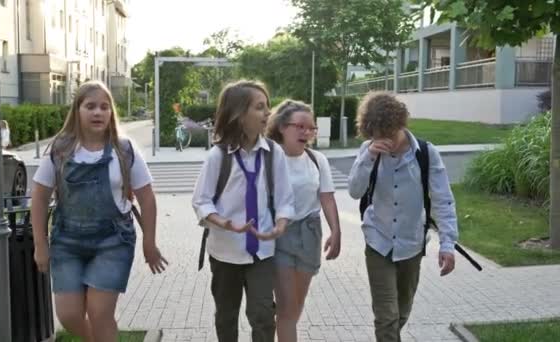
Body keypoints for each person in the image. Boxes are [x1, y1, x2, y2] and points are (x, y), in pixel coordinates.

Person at [30, 80, 168, 342]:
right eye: (90, 106)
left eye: (104, 107)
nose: (98, 112)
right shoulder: (60, 149)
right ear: (77, 110)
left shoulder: (125, 150)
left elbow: (147, 199)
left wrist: (150, 243)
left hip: (113, 241)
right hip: (67, 241)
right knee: (68, 315)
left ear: (111, 113)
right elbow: (38, 197)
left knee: (99, 311)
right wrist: (40, 244)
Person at [347, 92, 458, 342]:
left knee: (401, 312)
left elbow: (443, 200)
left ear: (401, 125)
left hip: (411, 243)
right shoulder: (368, 150)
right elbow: (354, 191)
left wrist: (447, 243)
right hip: (378, 241)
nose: (387, 142)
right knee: (386, 316)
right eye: (379, 137)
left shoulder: (426, 153)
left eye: (391, 135)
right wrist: (369, 157)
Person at [192, 80, 295, 342]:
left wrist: (280, 226)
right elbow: (201, 201)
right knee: (226, 315)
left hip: (261, 252)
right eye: (260, 107)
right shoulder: (218, 156)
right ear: (239, 114)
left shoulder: (274, 154)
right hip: (225, 251)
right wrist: (227, 224)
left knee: (262, 314)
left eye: (267, 106)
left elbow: (285, 199)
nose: (267, 113)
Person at [265, 99, 341, 342]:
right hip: (280, 235)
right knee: (287, 306)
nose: (307, 133)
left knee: (296, 305)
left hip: (310, 234)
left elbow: (327, 198)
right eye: (300, 127)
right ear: (281, 127)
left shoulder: (317, 159)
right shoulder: (268, 158)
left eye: (311, 128)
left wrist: (336, 231)